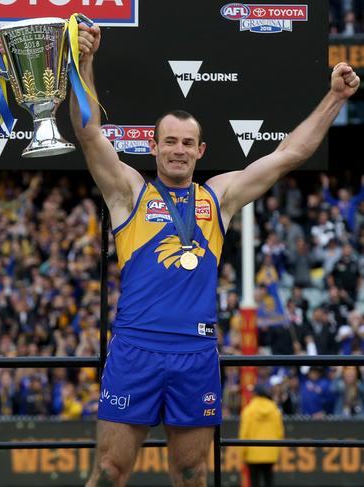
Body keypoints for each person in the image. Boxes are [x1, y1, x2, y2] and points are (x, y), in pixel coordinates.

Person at [70, 23, 360, 487]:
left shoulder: (218, 197)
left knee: (191, 472)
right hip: (135, 348)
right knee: (108, 471)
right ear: (155, 145)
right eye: (170, 141)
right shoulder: (130, 193)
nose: (179, 150)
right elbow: (89, 134)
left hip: (195, 352)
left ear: (200, 149)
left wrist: (335, 98)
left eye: (187, 143)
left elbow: (289, 154)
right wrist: (85, 62)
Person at [239, 384, 284, 487]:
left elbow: (244, 434)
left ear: (255, 394)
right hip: (270, 453)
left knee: (254, 481)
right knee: (269, 480)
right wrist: (277, 452)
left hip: (252, 453)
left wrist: (243, 453)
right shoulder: (275, 411)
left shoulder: (248, 411)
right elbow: (280, 432)